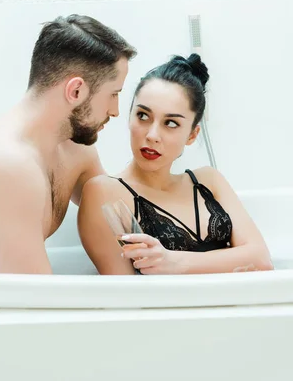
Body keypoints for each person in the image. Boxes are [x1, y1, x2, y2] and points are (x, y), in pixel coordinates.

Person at [0, 15, 136, 273]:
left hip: (1, 305)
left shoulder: (76, 151)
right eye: (114, 94)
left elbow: (126, 222)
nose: (116, 110)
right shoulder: (6, 165)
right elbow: (34, 300)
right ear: (75, 91)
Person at [78, 54, 273, 275]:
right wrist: (230, 257)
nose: (152, 135)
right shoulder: (106, 192)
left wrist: (173, 262)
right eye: (143, 116)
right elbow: (128, 296)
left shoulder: (208, 181)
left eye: (171, 123)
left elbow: (261, 260)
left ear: (192, 134)